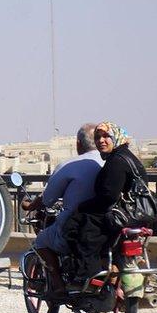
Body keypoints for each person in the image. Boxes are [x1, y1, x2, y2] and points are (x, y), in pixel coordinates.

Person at [21, 123, 102, 295]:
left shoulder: (69, 166)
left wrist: (30, 205)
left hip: (76, 226)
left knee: (41, 241)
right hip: (106, 224)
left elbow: (48, 198)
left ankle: (58, 285)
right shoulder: (110, 161)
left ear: (78, 143)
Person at [65, 122, 147, 283]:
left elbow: (108, 197)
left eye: (106, 136)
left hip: (122, 216)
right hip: (137, 214)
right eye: (97, 137)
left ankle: (88, 280)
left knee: (77, 230)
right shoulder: (127, 157)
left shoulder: (116, 161)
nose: (101, 141)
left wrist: (82, 207)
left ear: (116, 137)